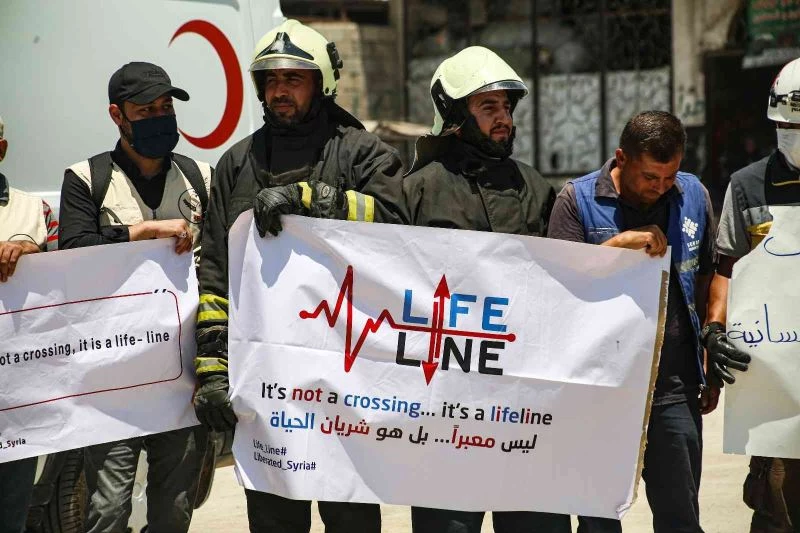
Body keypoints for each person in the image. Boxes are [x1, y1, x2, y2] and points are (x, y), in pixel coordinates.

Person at [191, 19, 407, 533]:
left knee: (350, 518)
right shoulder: (236, 164)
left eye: (293, 78)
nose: (280, 90)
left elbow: (399, 225)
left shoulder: (363, 153)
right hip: (267, 380)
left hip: (346, 379)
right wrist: (212, 371)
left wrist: (315, 199)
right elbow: (216, 272)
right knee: (274, 519)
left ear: (322, 83)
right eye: (271, 80)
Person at [403, 46, 559, 533]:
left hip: (526, 404)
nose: (503, 119)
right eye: (488, 107)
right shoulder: (419, 189)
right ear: (454, 115)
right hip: (445, 407)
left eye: (506, 108)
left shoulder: (535, 187)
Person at [58, 62, 211, 533]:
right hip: (113, 379)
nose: (159, 118)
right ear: (117, 115)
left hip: (181, 377)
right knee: (107, 509)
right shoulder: (86, 179)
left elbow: (222, 265)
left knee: (174, 509)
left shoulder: (200, 177)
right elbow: (73, 254)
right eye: (146, 111)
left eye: (166, 108)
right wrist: (138, 233)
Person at [547, 110, 716, 533]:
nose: (660, 187)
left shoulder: (693, 196)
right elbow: (555, 288)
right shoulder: (576, 201)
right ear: (621, 158)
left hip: (672, 386)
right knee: (599, 520)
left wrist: (709, 353)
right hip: (599, 388)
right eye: (650, 177)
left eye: (669, 176)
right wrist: (617, 246)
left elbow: (707, 276)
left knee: (681, 517)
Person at [705, 57, 800, 533]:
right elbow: (727, 269)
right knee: (777, 503)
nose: (793, 136)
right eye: (786, 127)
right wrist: (715, 330)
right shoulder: (747, 187)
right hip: (777, 387)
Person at [0, 113, 59, 533]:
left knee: (11, 512)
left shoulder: (35, 211)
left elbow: (70, 281)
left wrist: (32, 255)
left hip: (16, 395)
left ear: (1, 149)